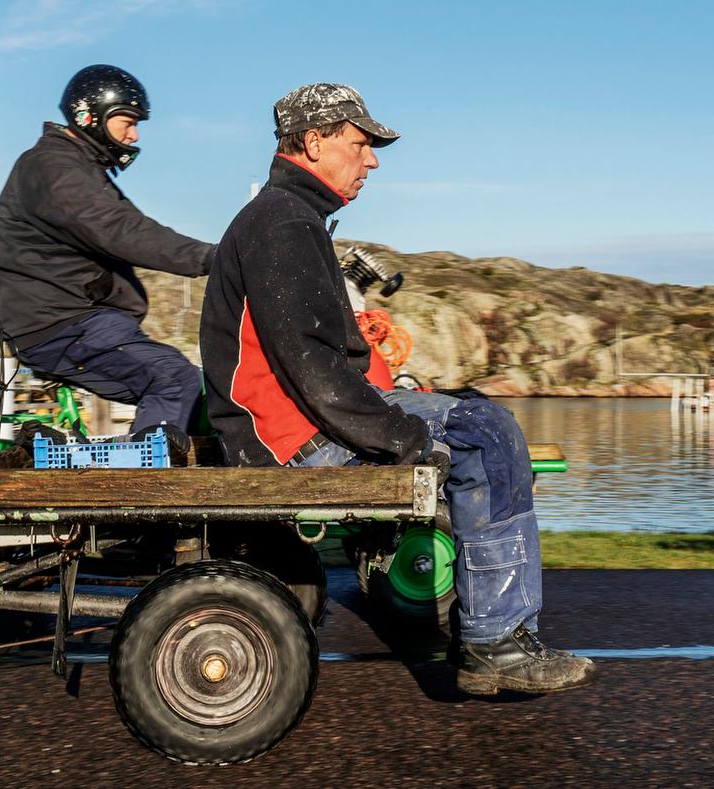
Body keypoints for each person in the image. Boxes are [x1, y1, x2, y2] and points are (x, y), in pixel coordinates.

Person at [200, 83, 593, 696]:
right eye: (360, 145)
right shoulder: (284, 224)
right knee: (488, 435)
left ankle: (489, 627)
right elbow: (314, 372)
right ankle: (495, 642)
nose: (373, 160)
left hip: (292, 426)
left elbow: (314, 357)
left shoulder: (288, 219)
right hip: (291, 440)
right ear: (313, 142)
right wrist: (403, 439)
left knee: (475, 414)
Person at [0, 65, 214, 448]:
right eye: (126, 121)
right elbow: (124, 231)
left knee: (196, 388)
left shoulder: (73, 166)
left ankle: (184, 476)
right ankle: (145, 496)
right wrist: (220, 259)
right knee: (174, 381)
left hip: (78, 320)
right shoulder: (55, 167)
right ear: (89, 116)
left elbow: (130, 227)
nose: (135, 135)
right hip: (63, 324)